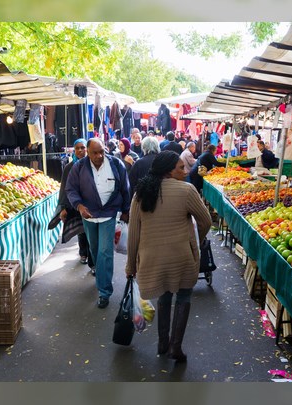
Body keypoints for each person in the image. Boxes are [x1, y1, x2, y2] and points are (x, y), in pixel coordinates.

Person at [125, 151, 212, 362]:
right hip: (181, 257)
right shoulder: (187, 191)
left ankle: (162, 343)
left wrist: (130, 265)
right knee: (183, 296)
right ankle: (175, 347)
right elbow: (206, 221)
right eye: (180, 168)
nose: (186, 171)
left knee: (164, 295)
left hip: (151, 259)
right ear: (168, 171)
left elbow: (133, 233)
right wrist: (195, 243)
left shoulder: (141, 194)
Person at [66, 138, 131, 309]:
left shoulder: (116, 164)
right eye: (95, 152)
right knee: (94, 250)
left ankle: (104, 291)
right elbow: (71, 189)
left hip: (108, 215)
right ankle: (101, 274)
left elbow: (125, 187)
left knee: (105, 251)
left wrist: (126, 210)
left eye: (102, 151)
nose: (99, 155)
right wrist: (79, 206)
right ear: (87, 152)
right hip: (88, 216)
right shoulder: (79, 167)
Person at [56, 139, 95, 272]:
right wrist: (63, 207)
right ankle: (83, 253)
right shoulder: (69, 167)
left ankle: (92, 261)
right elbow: (64, 188)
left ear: (87, 149)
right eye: (77, 148)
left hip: (90, 205)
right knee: (81, 230)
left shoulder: (92, 165)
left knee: (91, 232)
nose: (80, 151)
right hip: (75, 205)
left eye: (82, 148)